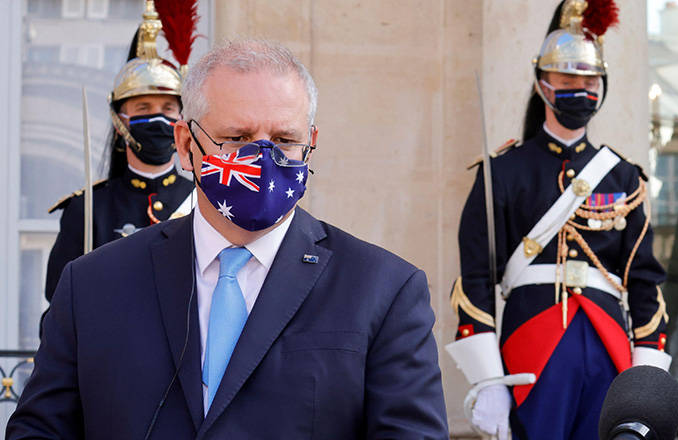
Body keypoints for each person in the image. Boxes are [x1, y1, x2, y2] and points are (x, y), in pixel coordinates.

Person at [7, 39, 447, 439]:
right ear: (186, 144)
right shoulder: (92, 285)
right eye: (236, 139)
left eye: (284, 139)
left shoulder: (383, 289)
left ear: (310, 144)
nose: (262, 157)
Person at [445, 1, 669, 439]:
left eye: (589, 81)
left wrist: (647, 378)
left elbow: (644, 282)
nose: (579, 90)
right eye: (567, 79)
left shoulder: (625, 176)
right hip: (532, 345)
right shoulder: (502, 172)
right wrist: (488, 380)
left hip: (608, 345)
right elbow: (475, 281)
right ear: (543, 83)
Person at [44, 1, 196, 302]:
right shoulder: (87, 209)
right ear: (119, 121)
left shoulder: (203, 200)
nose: (156, 117)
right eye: (143, 108)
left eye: (167, 108)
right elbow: (59, 306)